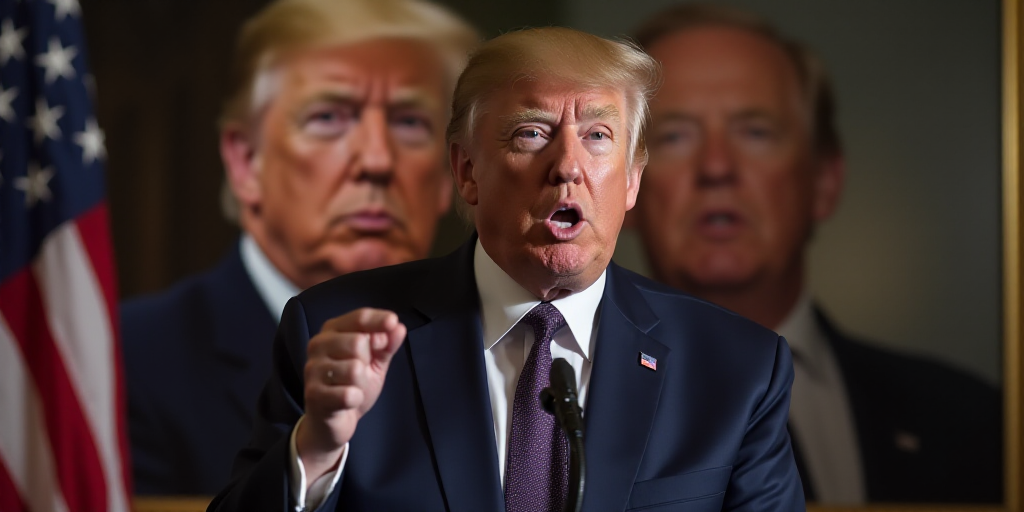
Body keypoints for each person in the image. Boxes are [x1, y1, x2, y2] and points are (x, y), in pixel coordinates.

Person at [207, 26, 804, 512]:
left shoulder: (738, 369)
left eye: (598, 135)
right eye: (531, 133)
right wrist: (316, 446)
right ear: (466, 172)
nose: (567, 165)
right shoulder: (333, 330)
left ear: (632, 179)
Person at [629, 4, 1002, 504]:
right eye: (674, 135)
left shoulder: (974, 422)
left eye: (755, 131)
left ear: (824, 181)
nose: (716, 166)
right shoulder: (542, 419)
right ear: (622, 188)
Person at [120, 0, 479, 495]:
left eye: (409, 122)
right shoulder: (127, 361)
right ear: (246, 161)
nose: (376, 160)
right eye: (329, 117)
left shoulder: (502, 346)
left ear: (450, 175)